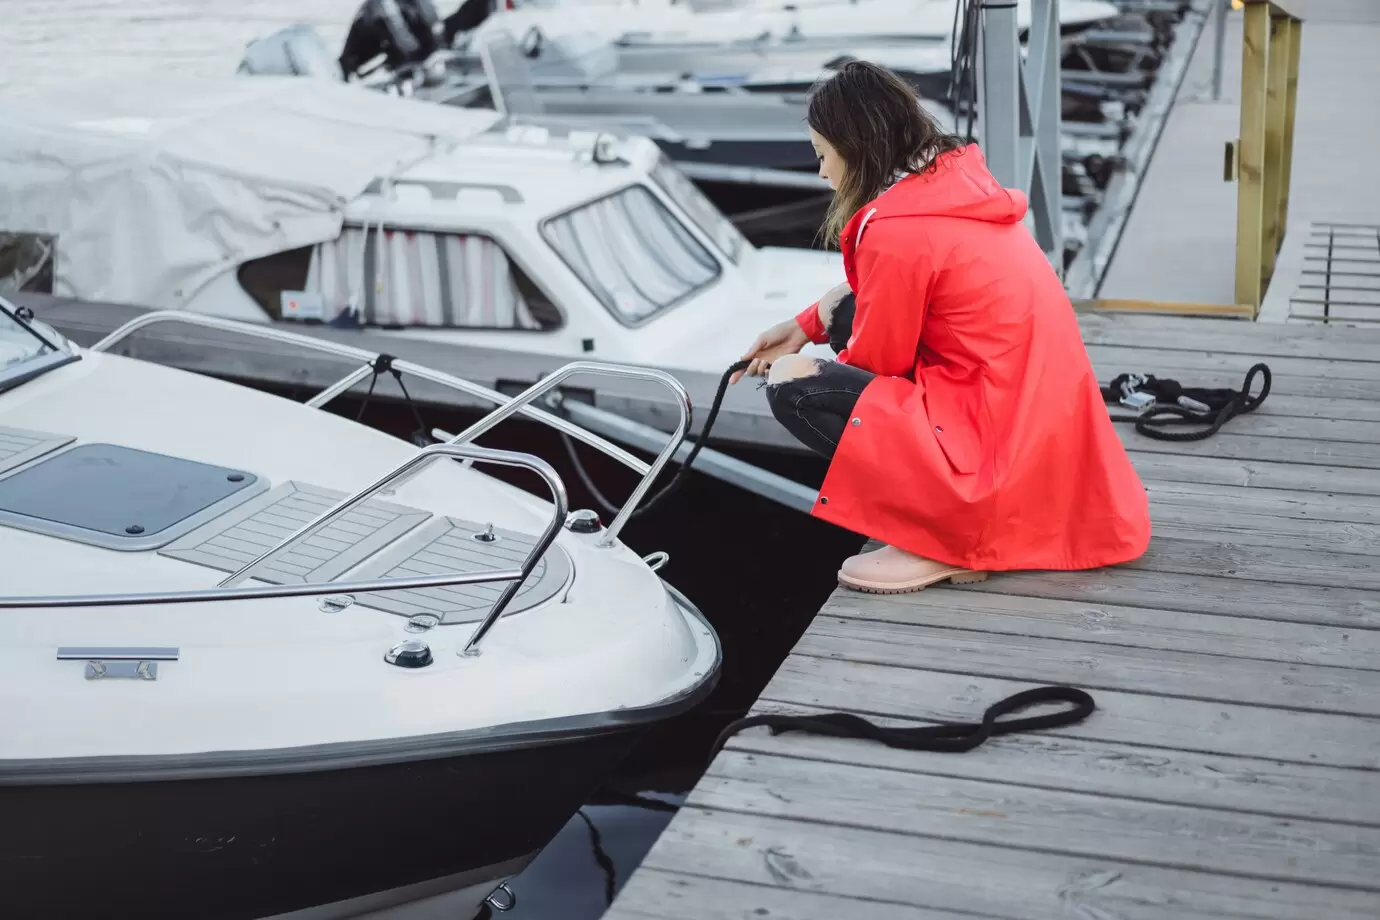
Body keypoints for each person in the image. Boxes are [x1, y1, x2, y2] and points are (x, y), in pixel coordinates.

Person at [734, 60, 1151, 594]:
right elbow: (868, 303)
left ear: (852, 144)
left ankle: (943, 537)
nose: (821, 173)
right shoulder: (950, 186)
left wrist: (802, 361)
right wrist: (803, 325)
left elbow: (876, 365)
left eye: (822, 155)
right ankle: (947, 513)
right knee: (843, 313)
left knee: (794, 385)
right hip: (1029, 426)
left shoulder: (897, 232)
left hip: (991, 448)